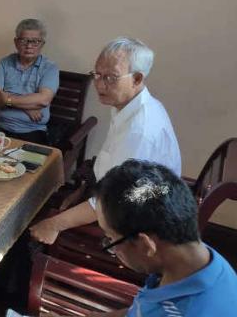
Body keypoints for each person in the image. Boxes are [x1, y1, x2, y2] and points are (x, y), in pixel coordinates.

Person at [30, 37, 181, 244]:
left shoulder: (139, 131)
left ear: (137, 79)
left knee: (34, 231)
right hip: (115, 199)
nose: (99, 84)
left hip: (135, 225)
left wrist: (54, 225)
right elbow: (110, 171)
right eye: (97, 75)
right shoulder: (129, 106)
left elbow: (114, 202)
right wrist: (83, 190)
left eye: (111, 77)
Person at [91, 159, 237, 316]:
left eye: (111, 239)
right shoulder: (199, 259)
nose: (112, 247)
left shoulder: (186, 310)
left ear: (146, 245)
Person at [0, 18, 60, 145]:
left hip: (31, 131)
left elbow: (43, 100)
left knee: (22, 164)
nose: (29, 46)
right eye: (24, 40)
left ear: (42, 44)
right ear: (16, 42)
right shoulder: (4, 63)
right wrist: (27, 107)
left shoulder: (50, 68)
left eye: (35, 41)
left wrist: (8, 99)